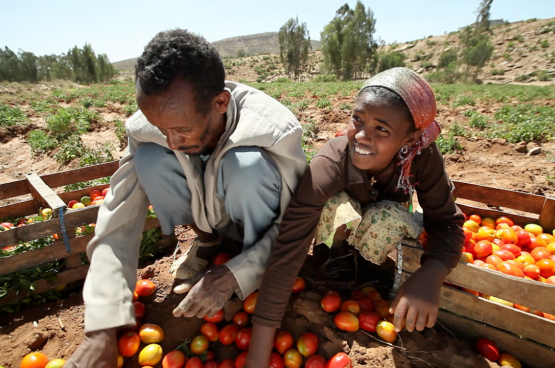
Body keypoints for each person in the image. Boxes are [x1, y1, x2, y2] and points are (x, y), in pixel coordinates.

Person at [65, 29, 306, 368]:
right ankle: (207, 242)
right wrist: (102, 326)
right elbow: (116, 220)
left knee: (246, 166)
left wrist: (235, 274)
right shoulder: (154, 126)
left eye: (181, 130)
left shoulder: (274, 130)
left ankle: (250, 266)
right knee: (150, 158)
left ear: (220, 103)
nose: (172, 141)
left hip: (258, 223)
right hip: (208, 213)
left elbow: (295, 225)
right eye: (161, 128)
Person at [244, 67, 465, 367]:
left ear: (410, 137)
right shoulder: (333, 160)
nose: (362, 136)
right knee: (333, 204)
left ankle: (369, 270)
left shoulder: (422, 158)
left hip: (380, 225)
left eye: (382, 130)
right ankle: (334, 264)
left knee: (386, 215)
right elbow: (289, 247)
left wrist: (432, 272)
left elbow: (447, 222)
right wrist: (258, 353)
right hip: (341, 230)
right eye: (357, 120)